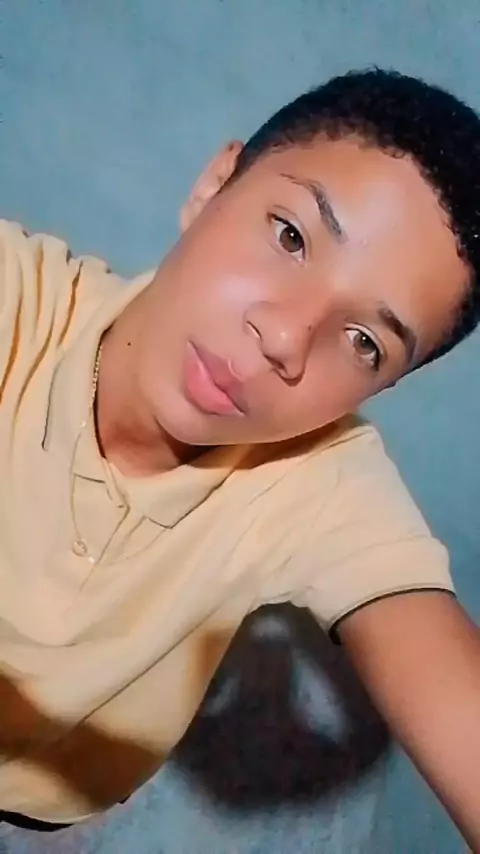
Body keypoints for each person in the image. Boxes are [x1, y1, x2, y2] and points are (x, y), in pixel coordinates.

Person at [0, 67, 479, 847]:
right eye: (291, 236)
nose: (285, 338)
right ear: (214, 185)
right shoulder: (17, 302)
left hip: (61, 799)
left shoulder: (324, 482)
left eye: (364, 342)